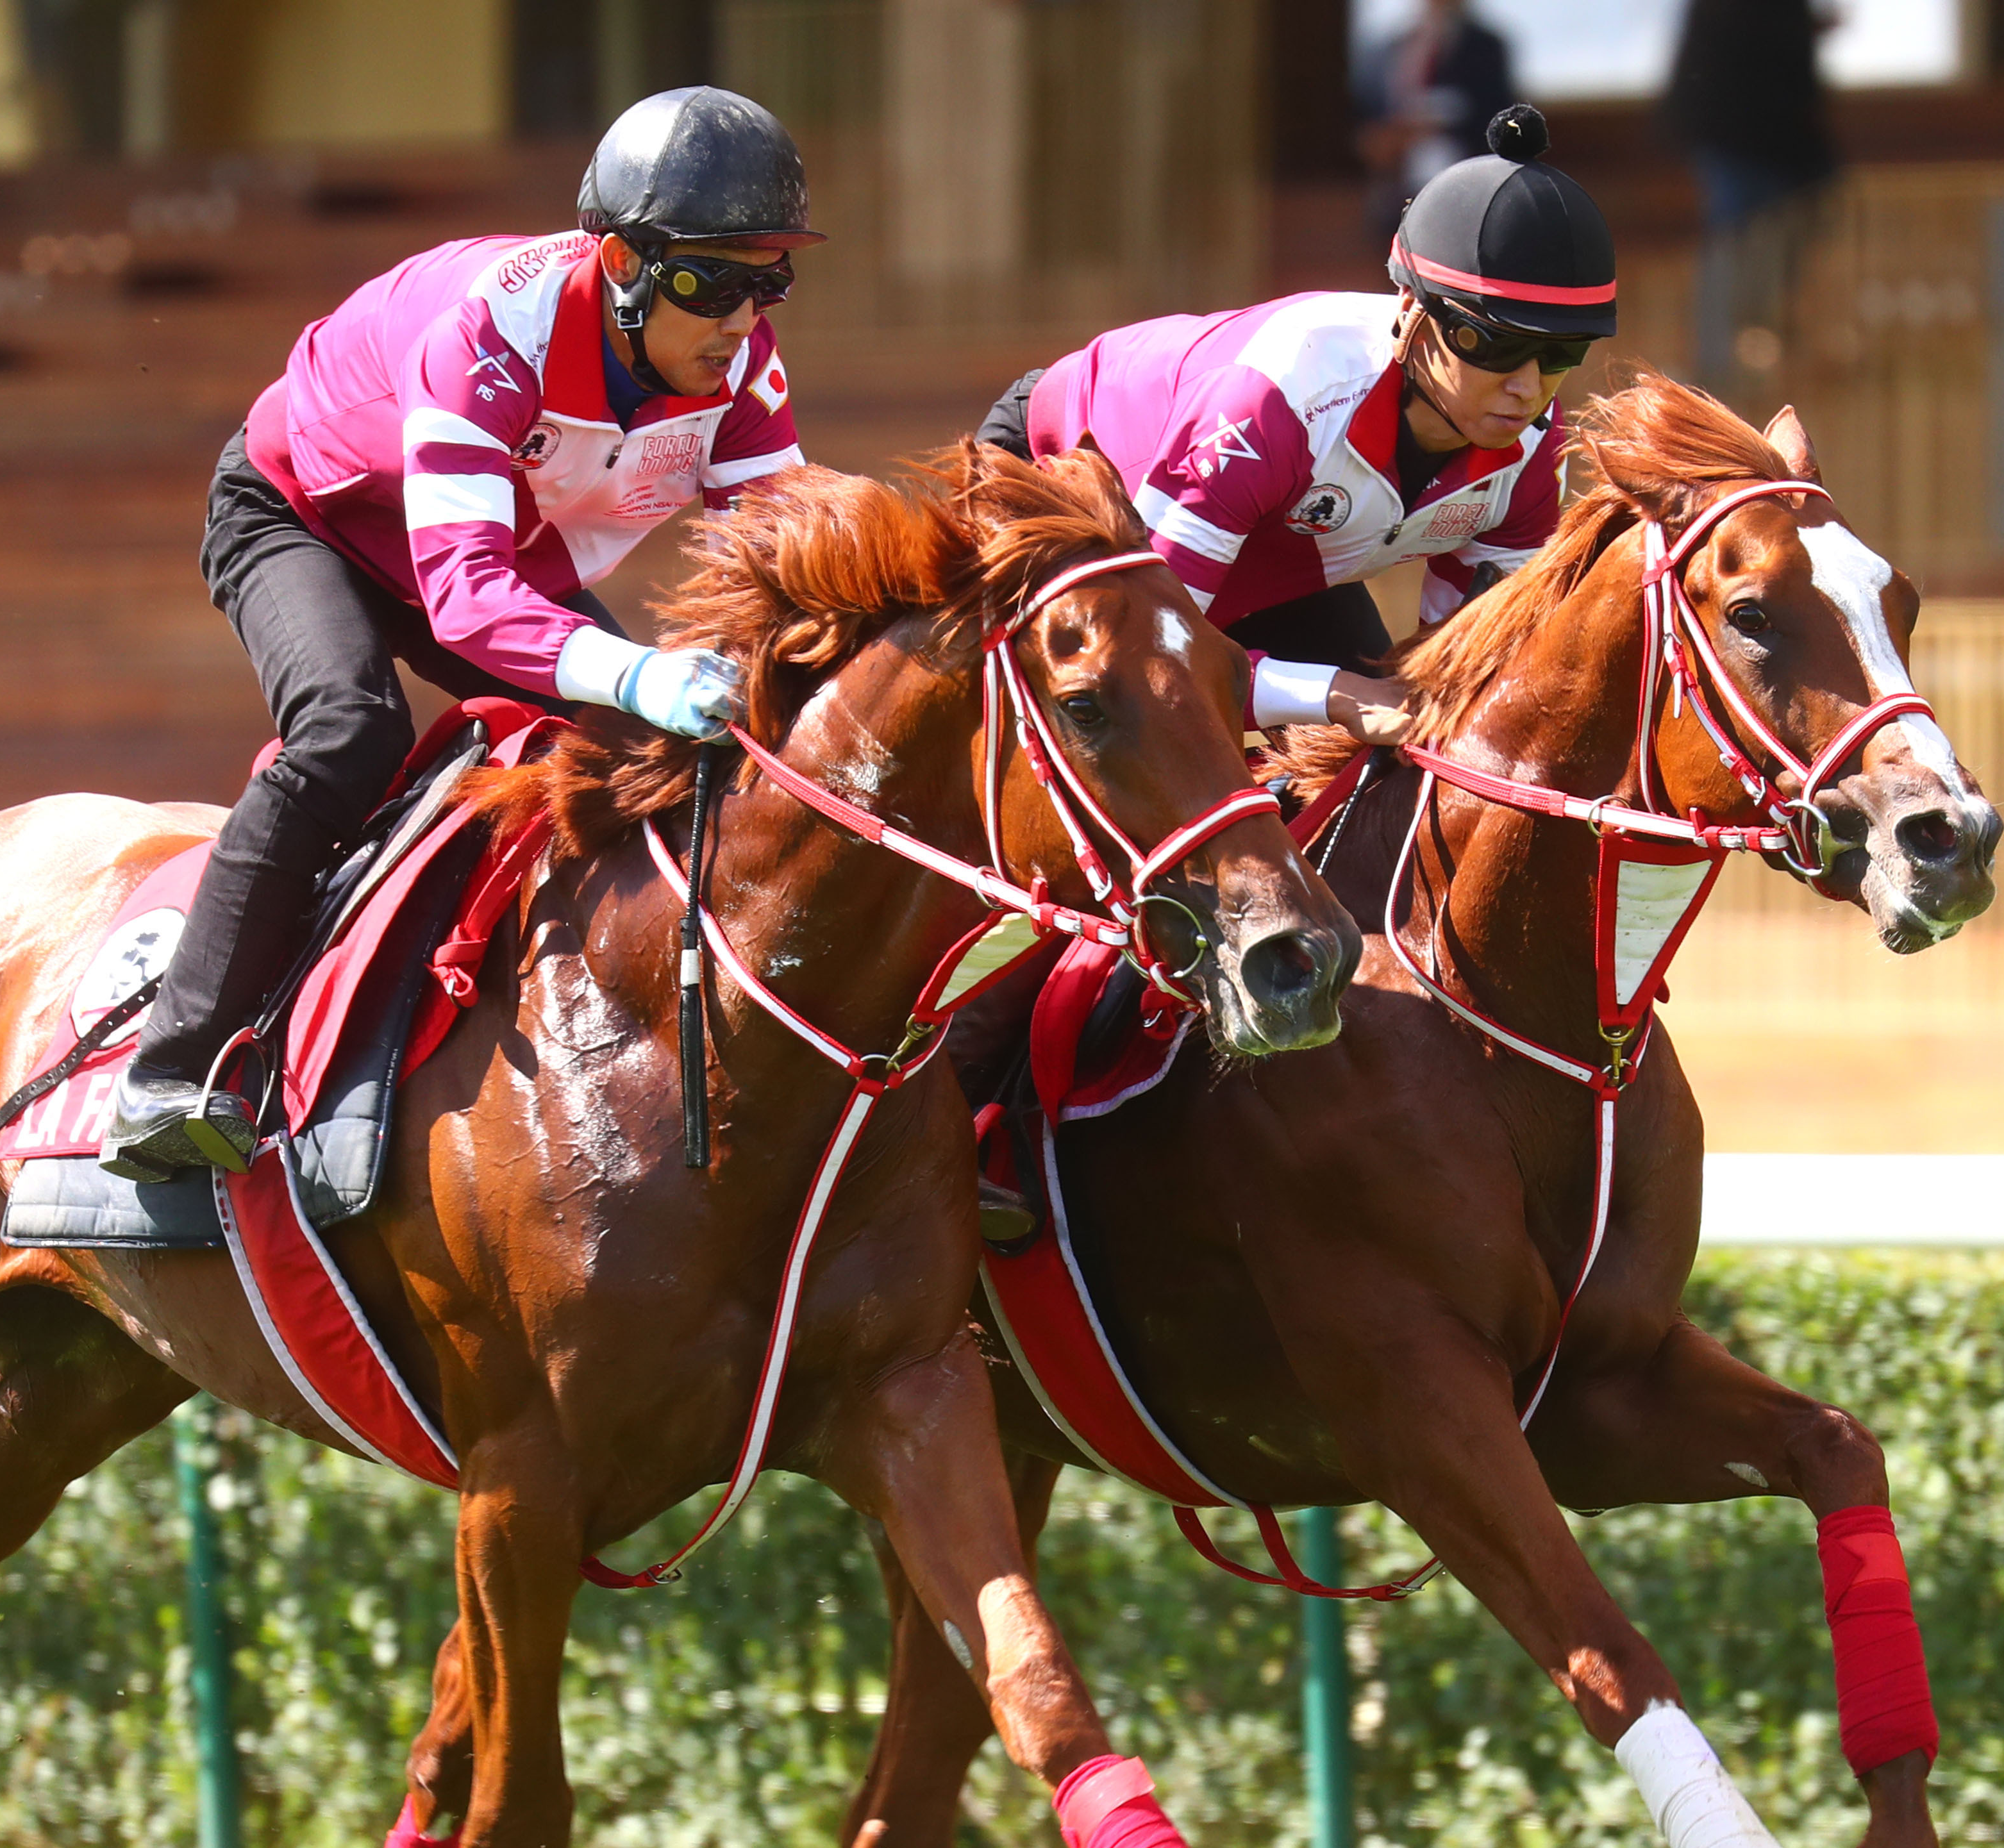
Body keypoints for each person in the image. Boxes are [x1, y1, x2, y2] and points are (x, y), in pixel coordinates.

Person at [103, 87, 819, 1179]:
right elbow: (470, 600)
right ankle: (170, 1068)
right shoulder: (490, 330)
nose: (740, 317)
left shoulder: (741, 367)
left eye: (768, 279)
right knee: (349, 731)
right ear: (621, 265)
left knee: (642, 758)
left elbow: (786, 565)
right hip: (307, 518)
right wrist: (637, 669)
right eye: (711, 280)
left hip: (485, 544)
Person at [975, 104, 1616, 753]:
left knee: (1402, 754)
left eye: (1563, 354)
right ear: (1410, 312)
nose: (1528, 387)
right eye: (1494, 345)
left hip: (1272, 553)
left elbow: (1462, 676)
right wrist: (1333, 695)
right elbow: (1145, 663)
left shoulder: (1532, 450)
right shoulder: (1276, 403)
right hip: (1058, 476)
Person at [1664, 0, 1839, 404]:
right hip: (1742, 130)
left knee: (1764, 244)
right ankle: (1722, 374)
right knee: (1735, 246)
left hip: (1771, 137)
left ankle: (1748, 357)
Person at [1352, 0, 1519, 254]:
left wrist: (1439, 126)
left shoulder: (1487, 48)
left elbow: (1500, 118)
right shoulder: (1391, 47)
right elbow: (1369, 115)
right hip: (1396, 189)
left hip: (1466, 189)